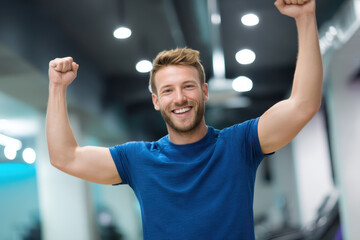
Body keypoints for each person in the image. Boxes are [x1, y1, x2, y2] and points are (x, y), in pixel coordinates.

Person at [46, 0, 322, 239]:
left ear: (204, 92)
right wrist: (57, 87)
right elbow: (65, 156)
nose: (179, 98)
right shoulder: (138, 160)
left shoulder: (240, 144)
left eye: (188, 86)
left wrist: (306, 17)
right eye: (167, 90)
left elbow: (302, 105)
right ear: (156, 101)